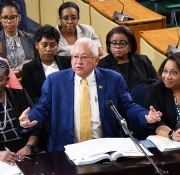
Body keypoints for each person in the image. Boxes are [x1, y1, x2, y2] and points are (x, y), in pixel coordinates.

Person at [19, 38, 162, 152]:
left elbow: (128, 107)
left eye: (84, 57)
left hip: (106, 147)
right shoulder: (55, 81)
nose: (78, 62)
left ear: (96, 60)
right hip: (66, 149)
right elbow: (43, 108)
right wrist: (29, 120)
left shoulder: (113, 79)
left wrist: (146, 116)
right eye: (75, 57)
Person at [22, 25, 71, 104]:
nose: (48, 49)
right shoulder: (29, 68)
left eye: (52, 45)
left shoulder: (68, 62)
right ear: (36, 45)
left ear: (57, 45)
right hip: (44, 111)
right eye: (44, 45)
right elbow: (32, 98)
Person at [0, 0, 35, 72]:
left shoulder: (31, 38)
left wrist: (29, 63)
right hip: (6, 80)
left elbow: (38, 61)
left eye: (13, 17)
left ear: (19, 17)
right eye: (5, 18)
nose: (9, 21)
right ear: (0, 19)